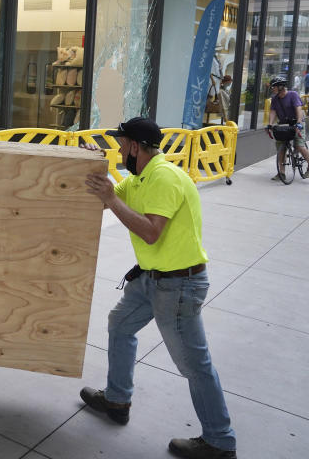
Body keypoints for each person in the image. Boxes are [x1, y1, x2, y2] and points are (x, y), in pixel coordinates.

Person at [80, 117, 236, 459]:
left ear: (136, 146)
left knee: (195, 364)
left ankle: (220, 441)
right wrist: (90, 163)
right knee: (120, 325)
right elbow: (105, 197)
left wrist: (111, 195)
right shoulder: (139, 179)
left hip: (179, 285)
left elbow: (151, 231)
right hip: (151, 279)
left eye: (121, 145)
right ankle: (118, 400)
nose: (120, 151)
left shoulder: (164, 178)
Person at [266, 75, 309, 181]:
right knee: (281, 147)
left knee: (299, 145)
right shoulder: (275, 99)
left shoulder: (292, 95)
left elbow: (298, 109)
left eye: (274, 86)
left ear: (280, 86)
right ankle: (281, 172)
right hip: (284, 124)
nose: (272, 88)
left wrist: (299, 123)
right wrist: (270, 124)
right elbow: (273, 112)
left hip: (297, 122)